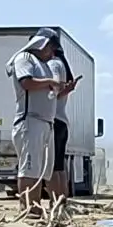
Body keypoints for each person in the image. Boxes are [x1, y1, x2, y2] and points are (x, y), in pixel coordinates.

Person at [6, 31, 62, 216]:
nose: (52, 53)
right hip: (30, 120)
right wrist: (49, 82)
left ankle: (36, 206)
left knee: (40, 169)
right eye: (50, 48)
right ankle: (28, 207)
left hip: (46, 123)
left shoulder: (44, 65)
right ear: (42, 45)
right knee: (29, 167)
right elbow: (27, 83)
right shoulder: (25, 58)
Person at [43, 29, 78, 201]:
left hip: (53, 120)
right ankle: (61, 201)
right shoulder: (60, 64)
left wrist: (48, 91)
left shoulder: (53, 64)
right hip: (61, 120)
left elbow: (56, 86)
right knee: (59, 167)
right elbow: (63, 89)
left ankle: (56, 202)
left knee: (51, 168)